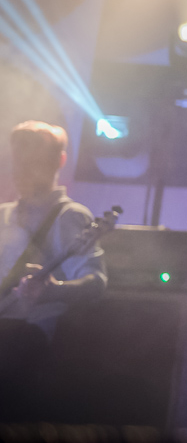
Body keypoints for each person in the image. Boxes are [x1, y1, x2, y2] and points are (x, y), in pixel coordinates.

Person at [0, 120, 107, 422]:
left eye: (33, 159)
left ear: (58, 161)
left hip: (29, 340)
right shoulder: (3, 215)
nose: (22, 168)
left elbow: (96, 281)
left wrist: (52, 290)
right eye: (17, 159)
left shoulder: (69, 215)